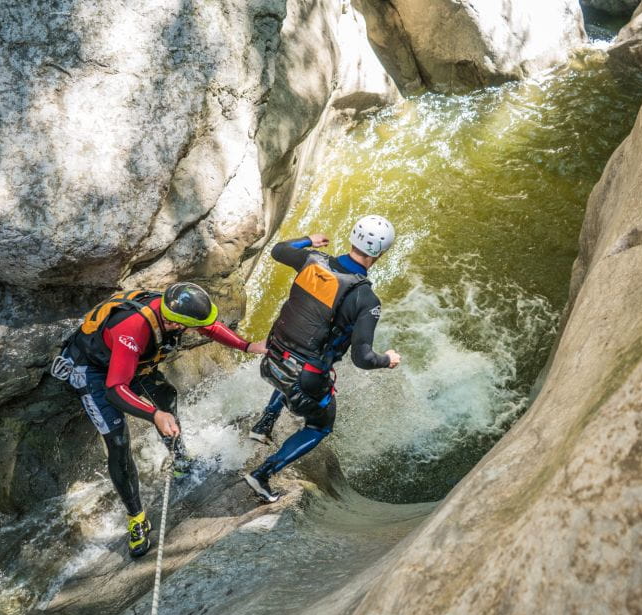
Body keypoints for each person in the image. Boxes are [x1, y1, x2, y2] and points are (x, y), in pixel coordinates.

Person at [56, 283, 265, 557]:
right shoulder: (133, 329)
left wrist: (247, 346)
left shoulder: (173, 307)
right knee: (118, 440)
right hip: (93, 370)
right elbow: (116, 389)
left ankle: (180, 460)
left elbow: (209, 326)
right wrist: (153, 415)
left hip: (131, 360)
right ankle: (137, 518)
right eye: (188, 328)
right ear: (173, 322)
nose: (193, 331)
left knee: (166, 396)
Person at [243, 215, 401, 502]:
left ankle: (265, 423)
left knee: (298, 350)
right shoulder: (366, 299)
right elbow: (363, 358)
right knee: (320, 425)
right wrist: (386, 359)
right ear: (380, 253)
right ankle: (262, 474)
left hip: (270, 360)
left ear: (353, 238)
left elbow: (278, 249)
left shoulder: (312, 260)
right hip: (302, 381)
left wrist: (309, 240)